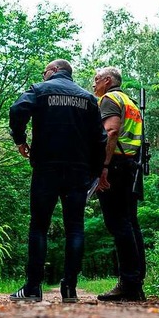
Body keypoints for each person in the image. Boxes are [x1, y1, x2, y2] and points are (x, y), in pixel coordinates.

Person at [9, 59, 107, 303]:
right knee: (75, 227)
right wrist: (94, 172)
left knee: (39, 226)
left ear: (53, 71)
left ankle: (33, 288)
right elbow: (100, 138)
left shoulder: (40, 90)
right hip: (78, 171)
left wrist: (20, 140)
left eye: (45, 72)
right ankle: (70, 289)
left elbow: (17, 110)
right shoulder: (88, 99)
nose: (43, 76)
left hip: (46, 167)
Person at [93, 67, 146, 301]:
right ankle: (135, 281)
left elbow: (111, 131)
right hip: (130, 166)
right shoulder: (130, 102)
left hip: (115, 165)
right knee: (130, 223)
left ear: (107, 80)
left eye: (96, 80)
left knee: (118, 223)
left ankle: (129, 284)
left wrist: (103, 167)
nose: (93, 84)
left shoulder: (109, 99)